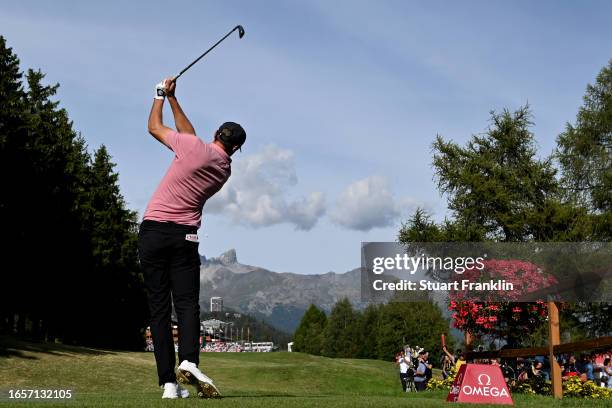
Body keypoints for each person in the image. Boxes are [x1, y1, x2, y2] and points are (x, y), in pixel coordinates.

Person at [139, 78, 246, 399]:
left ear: (215, 135)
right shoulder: (224, 168)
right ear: (236, 148)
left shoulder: (193, 147)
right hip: (186, 237)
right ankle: (188, 361)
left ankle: (168, 385)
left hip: (154, 231)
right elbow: (190, 136)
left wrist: (159, 95)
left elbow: (153, 127)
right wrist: (174, 99)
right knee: (186, 306)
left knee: (159, 310)